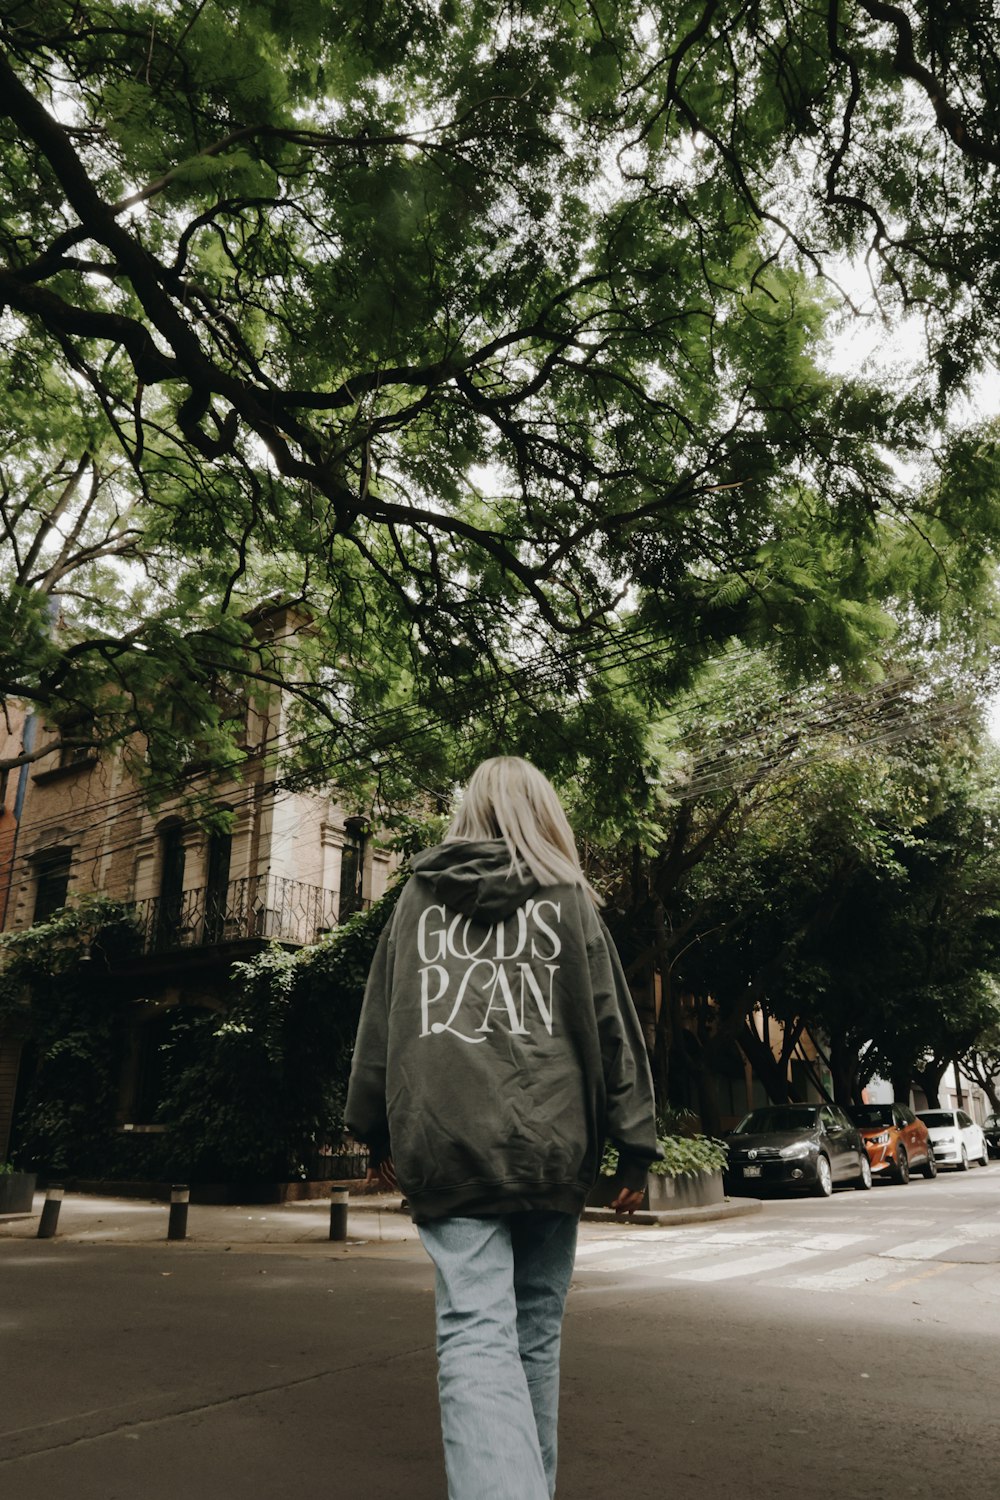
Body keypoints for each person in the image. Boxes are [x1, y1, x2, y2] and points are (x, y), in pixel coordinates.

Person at [345, 755, 660, 1500]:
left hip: (446, 1143)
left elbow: (382, 1019)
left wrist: (373, 1129)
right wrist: (635, 1148)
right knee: (534, 1337)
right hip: (552, 1146)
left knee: (473, 1332)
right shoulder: (570, 898)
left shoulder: (417, 899)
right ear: (545, 813)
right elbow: (615, 1028)